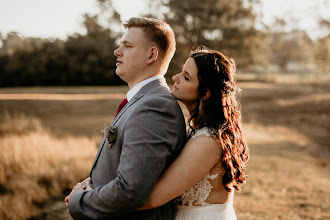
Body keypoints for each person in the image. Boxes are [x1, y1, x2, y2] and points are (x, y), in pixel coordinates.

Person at [64, 17, 187, 219]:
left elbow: (131, 190)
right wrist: (92, 184)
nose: (117, 51)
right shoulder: (142, 100)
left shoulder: (155, 107)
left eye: (127, 45)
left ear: (151, 55)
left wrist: (80, 201)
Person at [138, 47, 250, 219]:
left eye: (186, 77)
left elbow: (154, 198)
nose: (175, 78)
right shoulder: (195, 130)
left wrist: (97, 198)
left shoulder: (208, 141)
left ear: (205, 93)